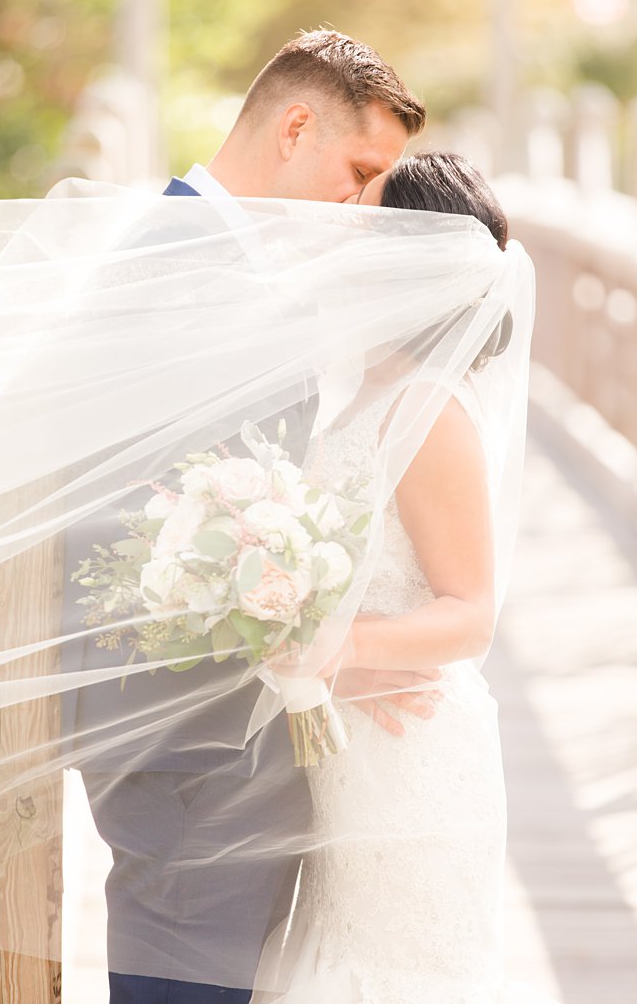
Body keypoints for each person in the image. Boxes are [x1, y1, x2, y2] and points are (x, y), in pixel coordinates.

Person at [0, 36, 530, 1006]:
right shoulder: (181, 263)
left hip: (266, 738)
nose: (367, 208)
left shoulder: (244, 266)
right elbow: (103, 491)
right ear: (294, 126)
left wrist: (336, 640)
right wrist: (318, 643)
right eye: (360, 172)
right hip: (187, 747)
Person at [255, 151, 523, 1003]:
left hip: (412, 756)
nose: (344, 237)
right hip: (353, 743)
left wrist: (334, 649)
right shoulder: (364, 387)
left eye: (364, 223)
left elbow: (471, 614)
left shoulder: (429, 409)